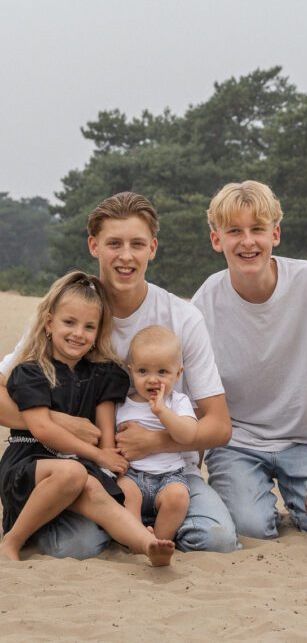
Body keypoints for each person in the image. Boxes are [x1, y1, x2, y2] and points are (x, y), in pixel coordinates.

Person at [0, 192, 238, 558]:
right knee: (74, 547)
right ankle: (118, 524)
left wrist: (155, 443)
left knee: (217, 539)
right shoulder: (71, 315)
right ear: (94, 246)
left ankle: (137, 528)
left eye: (137, 244)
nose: (125, 256)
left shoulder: (182, 318)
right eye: (114, 243)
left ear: (153, 249)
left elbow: (219, 427)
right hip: (92, 470)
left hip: (171, 472)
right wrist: (61, 424)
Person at [192, 180, 307, 539]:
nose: (248, 241)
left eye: (258, 229)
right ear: (216, 240)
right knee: (251, 528)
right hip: (237, 442)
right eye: (234, 231)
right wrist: (192, 465)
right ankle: (257, 502)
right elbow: (193, 396)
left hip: (305, 439)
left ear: (276, 234)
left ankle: (301, 504)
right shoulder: (204, 302)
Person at [0, 271, 175, 566]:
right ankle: (12, 541)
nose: (78, 333)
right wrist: (97, 455)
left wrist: (108, 458)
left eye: (89, 326)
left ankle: (148, 545)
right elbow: (42, 428)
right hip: (29, 464)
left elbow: (106, 427)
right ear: (49, 323)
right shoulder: (31, 372)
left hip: (77, 465)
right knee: (74, 474)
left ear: (97, 333)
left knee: (96, 491)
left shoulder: (102, 375)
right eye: (69, 322)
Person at [116, 326, 198, 540]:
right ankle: (138, 540)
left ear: (178, 373)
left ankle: (160, 541)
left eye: (162, 372)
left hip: (169, 476)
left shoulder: (178, 402)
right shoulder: (123, 403)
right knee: (124, 492)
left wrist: (162, 412)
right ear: (131, 370)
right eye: (143, 371)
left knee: (178, 498)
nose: (153, 379)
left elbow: (188, 436)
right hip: (132, 475)